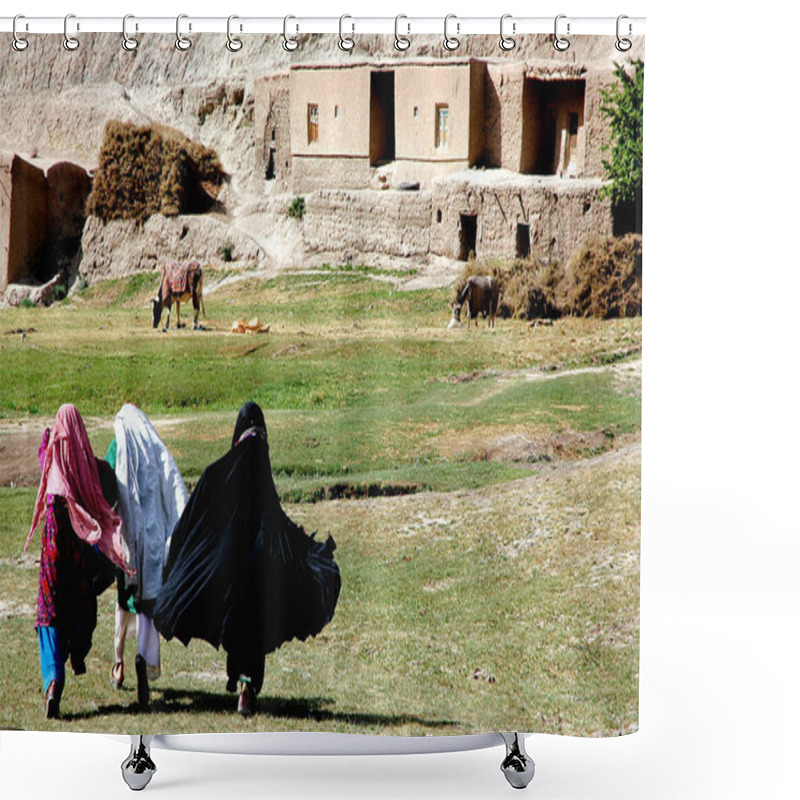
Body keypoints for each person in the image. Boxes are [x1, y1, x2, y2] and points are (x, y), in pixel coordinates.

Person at [153, 402, 341, 716]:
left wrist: (183, 558)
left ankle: (239, 681)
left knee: (234, 621)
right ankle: (247, 686)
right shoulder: (261, 476)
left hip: (226, 578)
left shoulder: (217, 475)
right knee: (254, 626)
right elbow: (277, 523)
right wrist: (305, 544)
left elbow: (190, 523)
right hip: (262, 573)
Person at [26, 403, 131, 719]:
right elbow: (109, 481)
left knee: (50, 618)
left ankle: (53, 681)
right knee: (82, 605)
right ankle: (78, 652)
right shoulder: (89, 465)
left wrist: (49, 437)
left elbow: (44, 450)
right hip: (80, 557)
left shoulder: (52, 461)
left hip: (52, 560)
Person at [107, 404, 189, 710]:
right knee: (147, 607)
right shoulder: (154, 447)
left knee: (125, 601)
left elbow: (108, 488)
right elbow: (174, 484)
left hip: (128, 544)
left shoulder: (119, 446)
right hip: (153, 544)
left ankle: (118, 662)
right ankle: (143, 655)